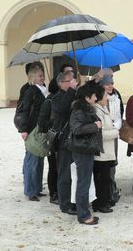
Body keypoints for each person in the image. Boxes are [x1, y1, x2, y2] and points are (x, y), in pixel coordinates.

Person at [69, 84, 102, 225]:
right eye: (94, 95)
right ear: (87, 97)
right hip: (82, 150)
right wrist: (95, 126)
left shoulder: (86, 108)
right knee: (83, 182)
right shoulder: (78, 111)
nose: (96, 97)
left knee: (85, 182)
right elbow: (76, 129)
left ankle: (84, 212)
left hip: (86, 149)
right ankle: (83, 215)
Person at [51, 71, 78, 215]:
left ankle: (74, 201)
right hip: (64, 141)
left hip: (75, 140)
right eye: (70, 80)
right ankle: (65, 204)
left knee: (75, 173)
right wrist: (72, 90)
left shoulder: (73, 94)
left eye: (73, 79)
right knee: (64, 174)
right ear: (61, 83)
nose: (73, 81)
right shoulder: (56, 97)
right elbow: (62, 108)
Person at [19, 66, 47, 201]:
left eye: (43, 75)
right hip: (32, 129)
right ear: (33, 77)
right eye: (40, 76)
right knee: (32, 160)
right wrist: (23, 130)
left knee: (40, 159)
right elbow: (24, 111)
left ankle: (37, 188)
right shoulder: (30, 91)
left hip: (41, 129)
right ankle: (30, 190)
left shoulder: (43, 89)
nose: (42, 78)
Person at [92, 85, 119, 213]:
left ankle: (105, 201)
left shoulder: (103, 108)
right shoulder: (96, 110)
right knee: (101, 179)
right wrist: (115, 132)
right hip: (101, 153)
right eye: (105, 95)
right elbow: (100, 133)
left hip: (107, 152)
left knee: (106, 178)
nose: (107, 98)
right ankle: (100, 204)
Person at [98, 75, 122, 205]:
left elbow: (118, 115)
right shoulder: (98, 101)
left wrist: (116, 127)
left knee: (113, 162)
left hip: (114, 133)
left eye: (111, 83)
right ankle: (105, 193)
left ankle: (112, 188)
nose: (110, 86)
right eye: (107, 84)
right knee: (104, 166)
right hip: (104, 136)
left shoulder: (116, 98)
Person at [37, 79, 59, 204]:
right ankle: (53, 193)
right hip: (51, 138)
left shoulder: (60, 100)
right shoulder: (49, 102)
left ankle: (58, 191)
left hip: (60, 138)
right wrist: (54, 121)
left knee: (59, 166)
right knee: (53, 167)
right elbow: (42, 123)